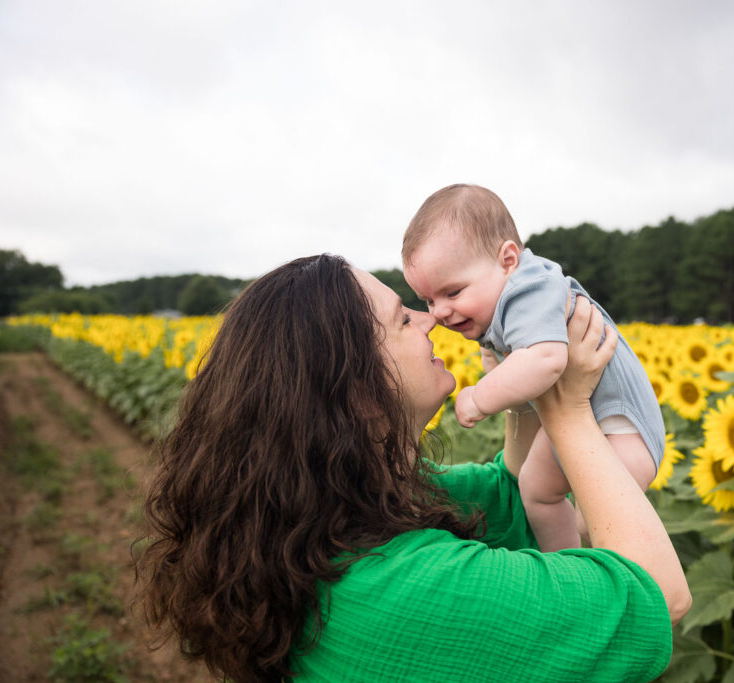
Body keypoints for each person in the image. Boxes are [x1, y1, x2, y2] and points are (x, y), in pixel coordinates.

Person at [135, 253, 690, 682]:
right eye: (402, 318)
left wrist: (525, 374)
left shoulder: (333, 522)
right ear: (358, 391)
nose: (430, 321)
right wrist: (568, 412)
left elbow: (514, 490)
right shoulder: (410, 591)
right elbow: (658, 599)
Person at [402, 184, 666, 551]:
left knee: (598, 522)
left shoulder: (530, 287)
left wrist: (479, 397)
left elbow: (546, 359)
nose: (439, 312)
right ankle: (564, 563)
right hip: (582, 420)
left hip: (623, 428)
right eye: (428, 300)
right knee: (536, 491)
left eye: (453, 292)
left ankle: (603, 581)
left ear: (508, 260)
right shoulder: (500, 304)